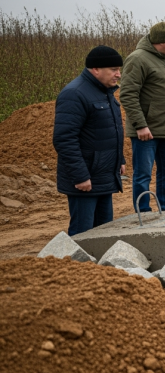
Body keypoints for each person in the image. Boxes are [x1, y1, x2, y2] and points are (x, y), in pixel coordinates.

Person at [53, 46, 126, 235]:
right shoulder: (74, 94)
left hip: (104, 176)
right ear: (96, 69)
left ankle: (97, 266)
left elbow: (108, 132)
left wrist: (120, 160)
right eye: (114, 70)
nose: (118, 74)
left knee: (103, 232)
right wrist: (80, 176)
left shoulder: (104, 92)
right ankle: (76, 266)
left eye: (119, 69)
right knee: (82, 234)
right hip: (86, 180)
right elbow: (64, 139)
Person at [121, 22, 165, 212]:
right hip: (146, 131)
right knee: (143, 174)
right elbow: (127, 94)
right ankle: (143, 212)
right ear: (161, 41)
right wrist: (140, 125)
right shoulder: (138, 59)